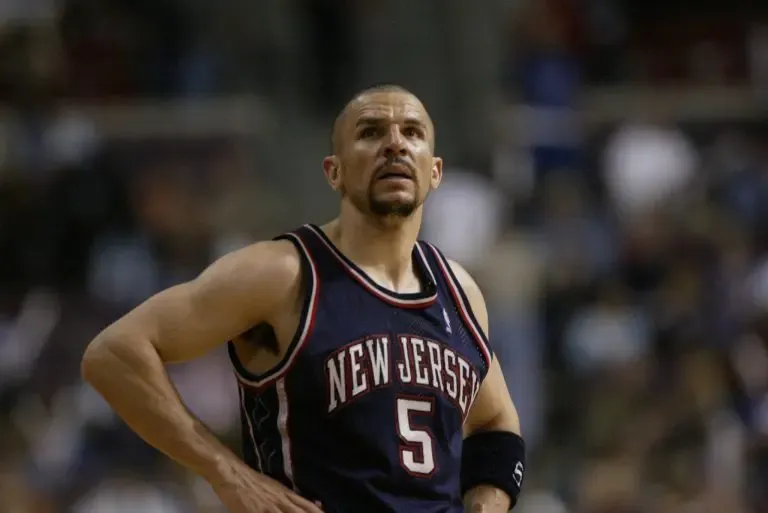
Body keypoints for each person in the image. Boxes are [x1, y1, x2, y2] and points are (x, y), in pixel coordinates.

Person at [81, 84, 525, 513]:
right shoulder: (284, 273)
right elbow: (113, 354)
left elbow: (497, 426)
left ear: (435, 171)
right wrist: (224, 471)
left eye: (412, 132)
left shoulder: (459, 290)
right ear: (334, 171)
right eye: (370, 132)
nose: (394, 144)